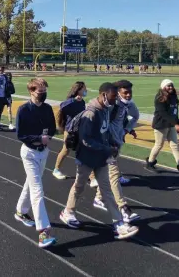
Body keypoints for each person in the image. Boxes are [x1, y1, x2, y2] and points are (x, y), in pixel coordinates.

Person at [59, 82, 139, 240]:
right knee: (79, 187)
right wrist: (107, 149)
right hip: (87, 157)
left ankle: (119, 224)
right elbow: (86, 140)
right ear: (104, 95)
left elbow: (104, 131)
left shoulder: (105, 110)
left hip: (101, 157)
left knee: (106, 190)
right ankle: (68, 211)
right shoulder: (91, 113)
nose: (116, 99)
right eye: (113, 96)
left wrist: (111, 144)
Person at [14, 78, 57, 248]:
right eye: (40, 91)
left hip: (43, 153)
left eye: (45, 91)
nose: (43, 94)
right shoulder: (23, 110)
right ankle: (43, 231)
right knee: (37, 190)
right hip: (30, 153)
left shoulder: (47, 109)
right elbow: (21, 134)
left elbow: (52, 128)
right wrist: (39, 138)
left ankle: (21, 211)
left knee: (30, 183)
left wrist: (48, 138)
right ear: (31, 91)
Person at [92, 80, 140, 223]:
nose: (129, 94)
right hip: (107, 145)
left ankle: (98, 198)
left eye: (130, 92)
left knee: (107, 173)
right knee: (114, 175)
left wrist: (127, 129)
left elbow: (135, 116)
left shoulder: (129, 104)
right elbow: (100, 122)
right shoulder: (111, 105)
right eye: (125, 92)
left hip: (117, 143)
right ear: (118, 92)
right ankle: (123, 207)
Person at [146, 79, 179, 178]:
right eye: (168, 86)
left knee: (175, 146)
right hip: (161, 124)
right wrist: (175, 124)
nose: (170, 87)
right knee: (159, 145)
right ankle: (150, 163)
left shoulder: (174, 97)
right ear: (163, 87)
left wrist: (177, 123)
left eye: (171, 85)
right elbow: (163, 113)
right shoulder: (159, 98)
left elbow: (174, 112)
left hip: (171, 124)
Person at [52, 82, 87, 180]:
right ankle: (56, 169)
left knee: (84, 150)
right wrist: (73, 100)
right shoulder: (71, 101)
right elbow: (62, 106)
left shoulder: (82, 102)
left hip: (80, 129)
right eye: (84, 89)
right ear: (78, 90)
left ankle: (90, 175)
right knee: (66, 150)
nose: (86, 91)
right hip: (70, 130)